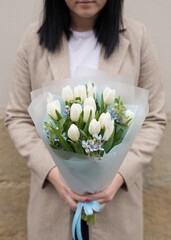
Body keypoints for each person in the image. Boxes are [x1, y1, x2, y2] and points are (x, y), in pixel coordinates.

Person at [5, 0, 166, 240]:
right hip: (53, 201)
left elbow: (154, 118)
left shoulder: (137, 37)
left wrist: (119, 175)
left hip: (117, 202)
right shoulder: (34, 39)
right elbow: (17, 116)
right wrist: (54, 173)